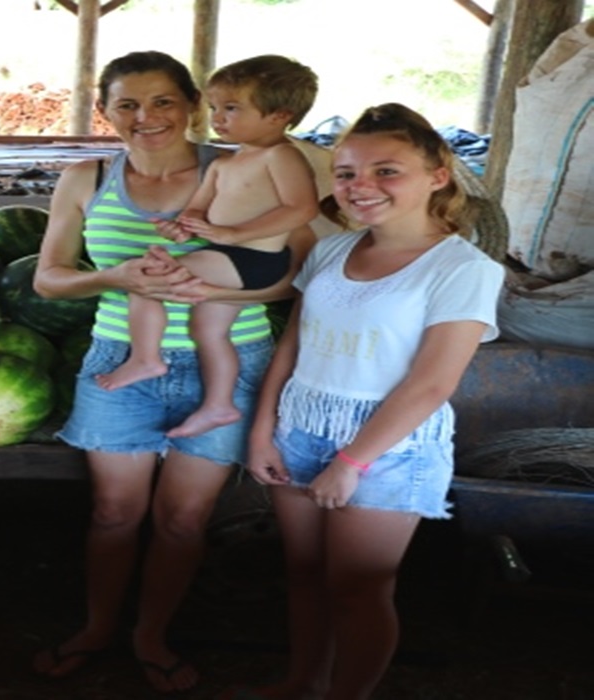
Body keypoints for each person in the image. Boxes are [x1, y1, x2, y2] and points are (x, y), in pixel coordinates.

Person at [30, 51, 316, 694]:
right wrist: (116, 276)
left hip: (231, 359)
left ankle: (151, 636)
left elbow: (297, 273)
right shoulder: (86, 177)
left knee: (184, 520)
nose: (146, 117)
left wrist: (214, 297)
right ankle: (99, 628)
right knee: (112, 512)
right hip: (118, 358)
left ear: (192, 105)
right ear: (105, 111)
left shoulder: (247, 163)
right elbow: (48, 280)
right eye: (126, 103)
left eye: (162, 101)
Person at [237, 104, 504, 700]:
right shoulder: (334, 252)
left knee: (359, 588)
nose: (361, 187)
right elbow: (293, 345)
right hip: (302, 423)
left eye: (387, 171)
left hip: (388, 445)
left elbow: (431, 384)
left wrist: (351, 462)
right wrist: (263, 430)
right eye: (347, 172)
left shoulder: (462, 269)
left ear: (439, 175)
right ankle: (302, 683)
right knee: (305, 576)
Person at [100, 55, 321, 440]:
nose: (218, 118)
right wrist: (181, 229)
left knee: (148, 274)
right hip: (231, 258)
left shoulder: (281, 156)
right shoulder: (226, 163)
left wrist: (235, 234)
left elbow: (301, 208)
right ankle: (219, 404)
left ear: (279, 115)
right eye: (216, 107)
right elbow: (198, 208)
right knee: (209, 332)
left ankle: (145, 358)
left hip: (253, 258)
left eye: (232, 109)